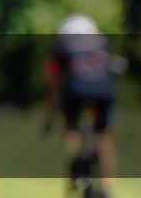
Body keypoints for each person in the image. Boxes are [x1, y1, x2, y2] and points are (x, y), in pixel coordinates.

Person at [45, 14, 123, 198]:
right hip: (104, 93)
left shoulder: (62, 46)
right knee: (104, 136)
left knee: (71, 128)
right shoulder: (102, 42)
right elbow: (116, 68)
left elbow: (53, 82)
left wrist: (51, 115)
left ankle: (76, 160)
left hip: (76, 92)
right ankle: (106, 186)